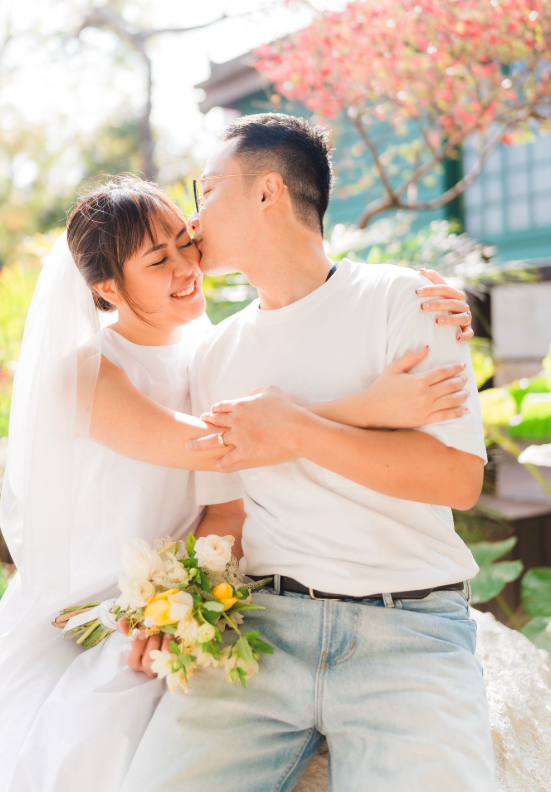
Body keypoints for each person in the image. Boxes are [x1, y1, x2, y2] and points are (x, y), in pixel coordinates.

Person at [0, 170, 472, 792]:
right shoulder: (85, 372)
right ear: (108, 286)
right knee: (93, 739)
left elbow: (245, 465)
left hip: (176, 582)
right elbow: (218, 448)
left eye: (184, 241)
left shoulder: (210, 352)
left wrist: (436, 305)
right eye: (157, 259)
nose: (187, 264)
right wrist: (371, 407)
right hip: (94, 602)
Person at [121, 113, 495, 792]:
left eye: (207, 191)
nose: (192, 218)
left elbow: (457, 478)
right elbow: (228, 514)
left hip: (408, 636)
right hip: (266, 632)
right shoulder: (216, 353)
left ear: (268, 192)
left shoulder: (406, 301)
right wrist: (176, 608)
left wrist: (296, 430)